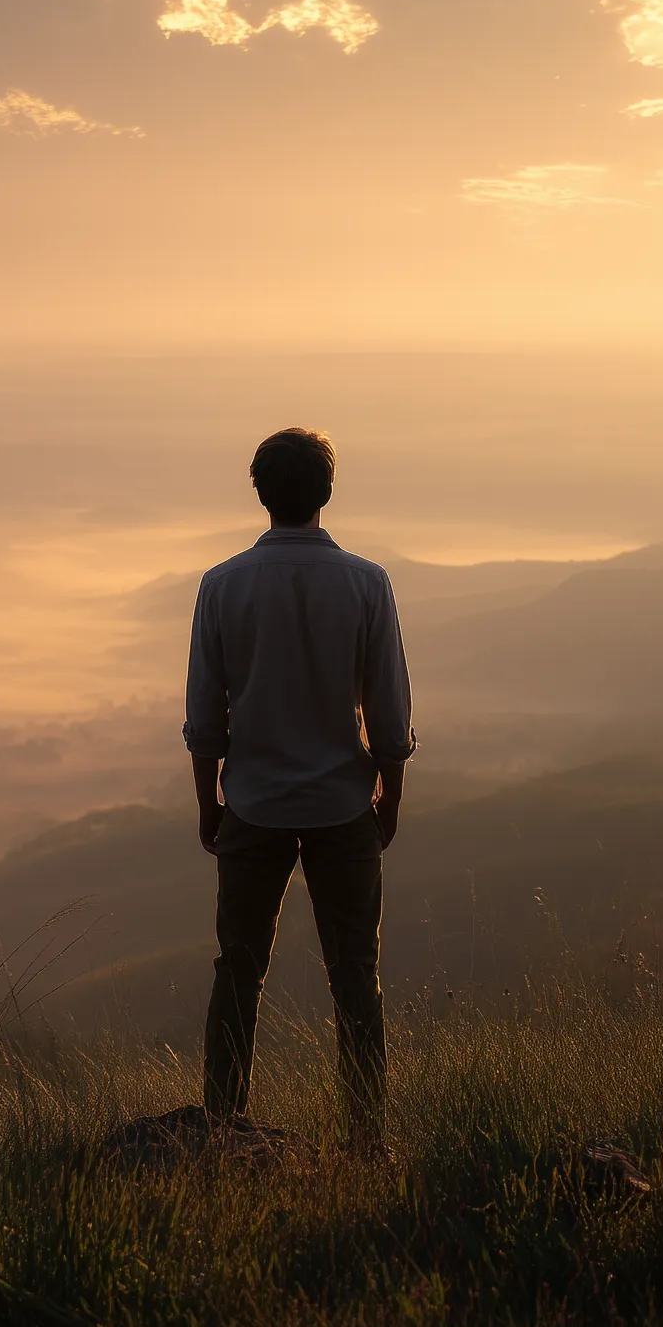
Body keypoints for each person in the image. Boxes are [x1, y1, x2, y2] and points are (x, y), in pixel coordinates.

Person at [183, 427, 414, 1145]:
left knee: (238, 971)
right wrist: (390, 797)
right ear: (327, 492)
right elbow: (389, 710)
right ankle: (365, 1138)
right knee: (356, 977)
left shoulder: (222, 585)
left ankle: (223, 1130)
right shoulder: (367, 583)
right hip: (343, 805)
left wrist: (209, 805)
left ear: (260, 492)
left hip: (253, 804)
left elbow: (205, 715)